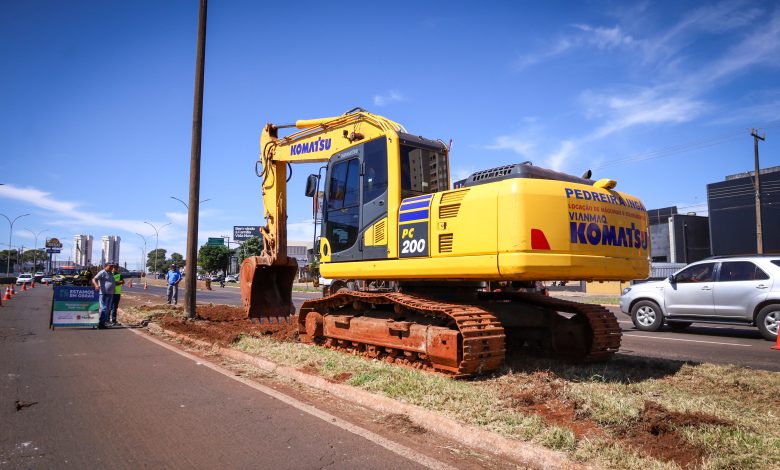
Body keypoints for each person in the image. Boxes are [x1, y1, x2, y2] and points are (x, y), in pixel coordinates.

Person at [91, 262, 116, 329]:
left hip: (110, 294)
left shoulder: (111, 273)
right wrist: (96, 285)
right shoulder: (102, 272)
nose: (111, 267)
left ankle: (103, 323)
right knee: (104, 308)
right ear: (106, 266)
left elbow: (111, 282)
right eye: (110, 266)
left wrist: (114, 289)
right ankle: (100, 324)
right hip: (103, 293)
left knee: (107, 309)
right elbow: (94, 279)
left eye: (112, 266)